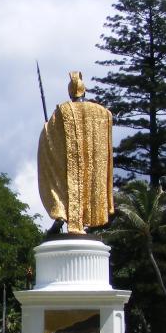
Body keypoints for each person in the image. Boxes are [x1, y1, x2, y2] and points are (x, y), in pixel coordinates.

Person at [37, 71, 114, 235]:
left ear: (70, 93)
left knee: (64, 184)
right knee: (86, 183)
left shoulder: (63, 110)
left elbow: (49, 135)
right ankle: (84, 219)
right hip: (90, 161)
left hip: (70, 162)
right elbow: (108, 118)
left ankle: (62, 214)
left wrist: (47, 128)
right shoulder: (101, 112)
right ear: (84, 92)